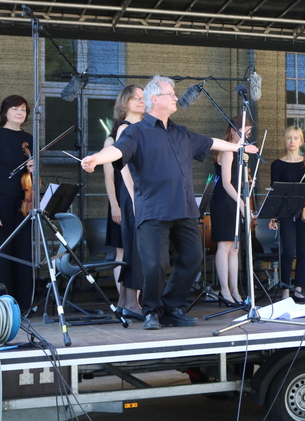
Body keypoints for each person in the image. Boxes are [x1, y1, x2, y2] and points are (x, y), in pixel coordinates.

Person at [80, 75, 257, 330]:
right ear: (155, 99)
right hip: (153, 210)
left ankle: (172, 307)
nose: (176, 97)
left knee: (193, 257)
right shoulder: (136, 132)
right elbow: (117, 151)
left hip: (183, 208)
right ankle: (152, 311)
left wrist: (237, 147)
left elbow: (209, 142)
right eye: (171, 94)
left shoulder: (181, 132)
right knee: (155, 264)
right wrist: (96, 158)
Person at [0, 95, 34, 314]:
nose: (19, 113)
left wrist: (35, 170)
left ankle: (23, 305)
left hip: (24, 201)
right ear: (5, 112)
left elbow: (34, 179)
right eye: (15, 109)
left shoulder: (29, 139)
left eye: (23, 110)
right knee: (0, 252)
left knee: (23, 252)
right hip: (1, 199)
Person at [103, 85, 144, 320]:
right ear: (124, 103)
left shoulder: (144, 129)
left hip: (137, 195)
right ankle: (129, 301)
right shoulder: (119, 134)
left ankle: (127, 301)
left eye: (142, 98)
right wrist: (115, 205)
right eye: (135, 98)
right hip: (127, 197)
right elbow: (112, 175)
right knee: (128, 249)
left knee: (133, 250)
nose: (141, 101)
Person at [269, 126, 305, 303]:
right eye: (289, 138)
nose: (292, 141)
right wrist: (274, 216)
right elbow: (275, 191)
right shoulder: (277, 164)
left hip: (304, 213)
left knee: (304, 251)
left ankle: (298, 288)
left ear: (301, 141)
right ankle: (285, 289)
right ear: (285, 141)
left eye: (296, 138)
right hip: (285, 212)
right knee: (288, 252)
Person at [209, 117, 256, 307]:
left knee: (235, 248)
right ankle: (224, 290)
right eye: (243, 131)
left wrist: (247, 180)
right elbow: (226, 183)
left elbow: (238, 180)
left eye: (249, 132)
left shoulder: (240, 152)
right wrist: (243, 204)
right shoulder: (228, 150)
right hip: (225, 201)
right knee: (225, 246)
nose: (246, 135)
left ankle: (235, 290)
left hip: (235, 200)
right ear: (232, 131)